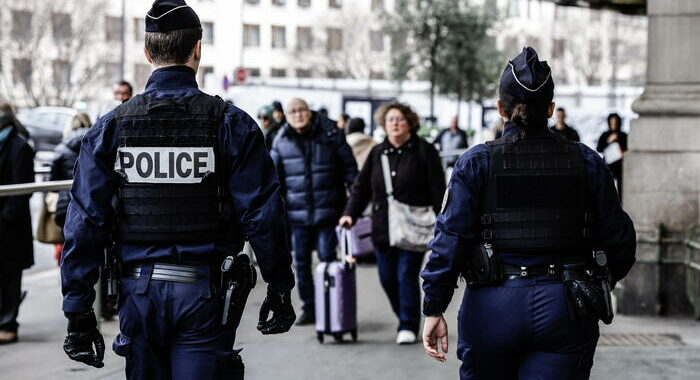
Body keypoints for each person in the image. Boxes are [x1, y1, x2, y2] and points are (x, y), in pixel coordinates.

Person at [60, 2, 296, 378]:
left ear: (147, 51)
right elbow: (264, 216)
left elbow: (84, 223)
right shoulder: (231, 125)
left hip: (138, 293)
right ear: (197, 48)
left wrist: (78, 311)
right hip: (204, 293)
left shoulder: (111, 128)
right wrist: (280, 287)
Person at [421, 47, 636, 379]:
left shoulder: (476, 163)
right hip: (566, 304)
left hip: (492, 306)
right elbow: (620, 242)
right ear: (550, 109)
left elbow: (450, 239)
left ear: (500, 109)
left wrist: (434, 306)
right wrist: (596, 283)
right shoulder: (587, 162)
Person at [340, 102, 445, 345]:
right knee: (387, 278)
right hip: (382, 228)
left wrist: (444, 222)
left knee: (406, 274)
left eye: (399, 119)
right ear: (383, 124)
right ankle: (404, 317)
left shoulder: (424, 151)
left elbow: (438, 190)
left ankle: (408, 325)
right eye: (390, 120)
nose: (394, 124)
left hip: (412, 228)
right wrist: (349, 214)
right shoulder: (378, 153)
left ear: (410, 122)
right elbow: (361, 187)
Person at [270, 98, 358, 325]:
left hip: (328, 212)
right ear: (285, 116)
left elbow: (350, 169)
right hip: (297, 216)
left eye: (301, 110)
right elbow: (273, 182)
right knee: (300, 263)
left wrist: (353, 206)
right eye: (292, 112)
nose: (297, 115)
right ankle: (309, 308)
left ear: (309, 112)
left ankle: (330, 305)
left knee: (327, 260)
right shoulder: (280, 141)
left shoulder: (330, 134)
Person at [0, 107, 35, 345]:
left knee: (9, 276)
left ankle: (7, 323)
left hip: (8, 225)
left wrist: (5, 218)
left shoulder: (18, 146)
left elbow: (22, 190)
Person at [50, 113, 92, 264]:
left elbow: (53, 182)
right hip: (90, 202)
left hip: (65, 205)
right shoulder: (96, 143)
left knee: (68, 245)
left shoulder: (61, 148)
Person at [596, 113, 627, 201]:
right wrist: (609, 140)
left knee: (620, 190)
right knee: (607, 187)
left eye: (616, 123)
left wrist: (623, 152)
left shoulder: (623, 135)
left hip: (620, 166)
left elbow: (628, 149)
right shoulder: (605, 135)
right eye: (612, 123)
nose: (614, 125)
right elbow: (599, 148)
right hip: (608, 165)